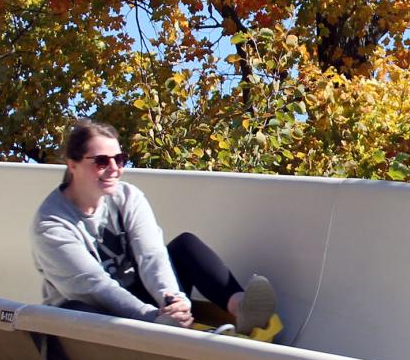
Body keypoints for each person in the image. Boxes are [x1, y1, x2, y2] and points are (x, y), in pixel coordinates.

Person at [31, 118, 278, 337]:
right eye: (101, 161)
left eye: (119, 159)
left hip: (142, 303)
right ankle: (166, 331)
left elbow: (151, 255)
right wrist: (153, 319)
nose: (114, 169)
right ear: (72, 165)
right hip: (94, 317)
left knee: (185, 246)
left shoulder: (128, 196)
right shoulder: (52, 225)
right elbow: (95, 287)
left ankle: (243, 309)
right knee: (79, 311)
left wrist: (174, 300)